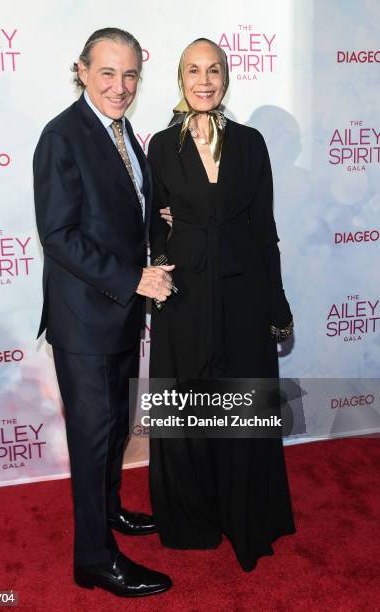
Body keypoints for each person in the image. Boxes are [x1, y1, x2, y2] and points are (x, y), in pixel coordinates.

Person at [33, 28, 173, 597]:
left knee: (114, 427)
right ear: (82, 71)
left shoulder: (118, 131)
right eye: (108, 73)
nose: (121, 86)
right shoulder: (62, 136)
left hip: (118, 313)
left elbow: (118, 209)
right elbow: (59, 235)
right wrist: (132, 277)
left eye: (131, 74)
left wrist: (156, 212)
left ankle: (110, 511)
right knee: (93, 437)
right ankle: (93, 559)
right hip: (85, 320)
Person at [148, 38, 296, 572]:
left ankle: (247, 515)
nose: (203, 80)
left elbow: (266, 230)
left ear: (226, 78)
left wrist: (277, 303)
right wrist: (165, 253)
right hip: (184, 298)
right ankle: (191, 518)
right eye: (193, 70)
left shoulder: (252, 144)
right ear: (180, 79)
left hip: (243, 295)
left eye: (213, 70)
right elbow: (152, 229)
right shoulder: (162, 146)